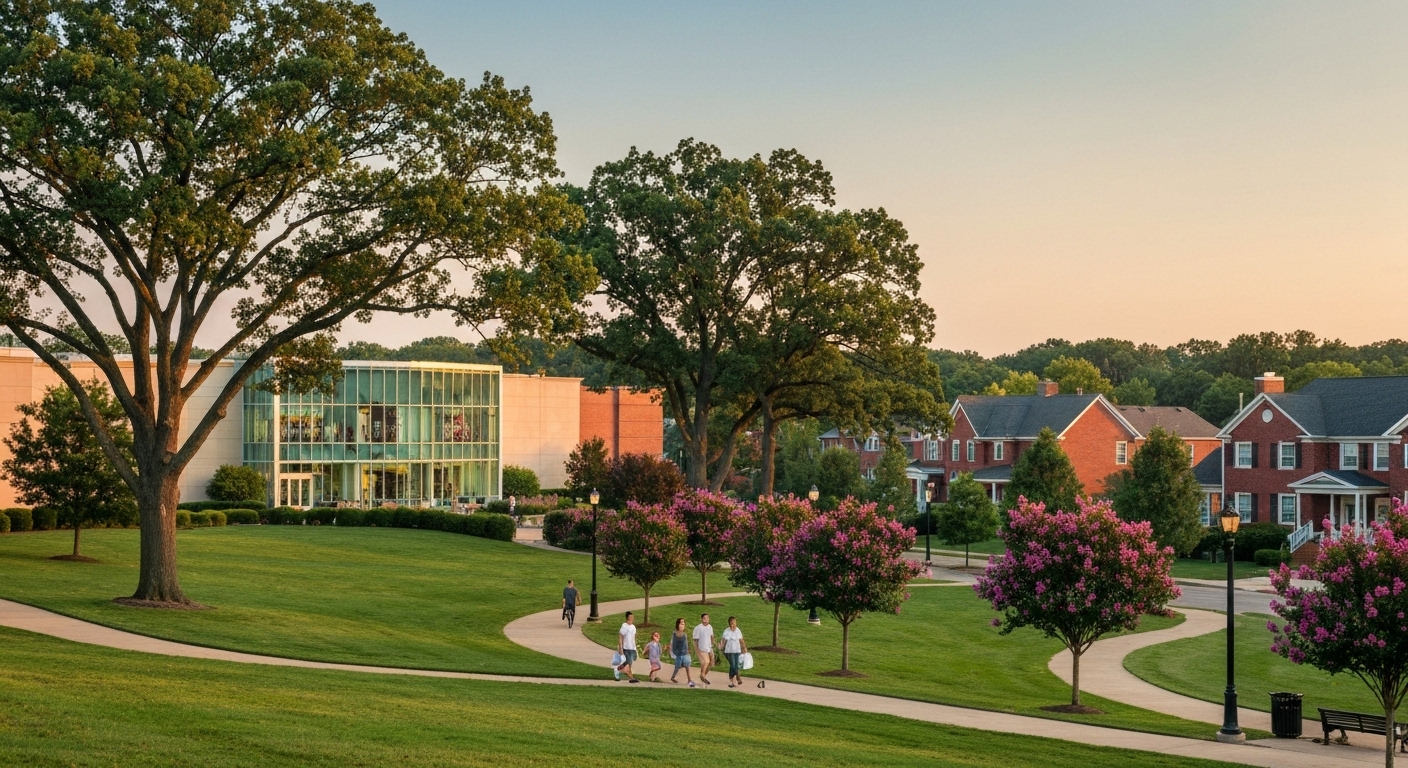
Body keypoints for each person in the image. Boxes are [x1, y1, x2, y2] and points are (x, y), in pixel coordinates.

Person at [721, 615, 748, 688]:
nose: (734, 624)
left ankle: (731, 680)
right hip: (729, 651)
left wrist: (744, 648)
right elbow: (723, 641)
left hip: (737, 651)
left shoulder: (738, 630)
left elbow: (741, 640)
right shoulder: (726, 631)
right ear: (729, 623)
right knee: (733, 665)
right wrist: (721, 648)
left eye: (735, 622)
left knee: (734, 665)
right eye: (732, 622)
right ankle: (738, 677)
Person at [669, 617, 695, 687]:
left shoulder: (684, 635)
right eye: (681, 623)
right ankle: (673, 677)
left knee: (687, 666)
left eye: (683, 624)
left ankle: (689, 680)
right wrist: (672, 652)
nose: (682, 625)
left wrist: (687, 650)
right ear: (678, 624)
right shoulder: (674, 634)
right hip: (678, 653)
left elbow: (686, 643)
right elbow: (672, 643)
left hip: (684, 653)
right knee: (677, 667)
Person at [691, 613, 716, 686]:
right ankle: (702, 675)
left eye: (707, 618)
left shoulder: (710, 627)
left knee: (711, 663)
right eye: (704, 618)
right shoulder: (698, 628)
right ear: (701, 619)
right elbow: (695, 640)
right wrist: (697, 650)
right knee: (706, 661)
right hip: (701, 648)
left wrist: (713, 643)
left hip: (709, 647)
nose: (706, 620)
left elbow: (711, 636)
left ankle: (703, 675)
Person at [616, 611, 639, 683]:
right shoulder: (624, 626)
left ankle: (618, 670)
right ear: (627, 618)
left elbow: (634, 638)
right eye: (630, 617)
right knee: (629, 662)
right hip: (626, 647)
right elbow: (620, 636)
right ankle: (631, 677)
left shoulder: (633, 627)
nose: (632, 618)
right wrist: (620, 647)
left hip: (632, 647)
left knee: (627, 662)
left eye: (632, 617)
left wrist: (636, 648)